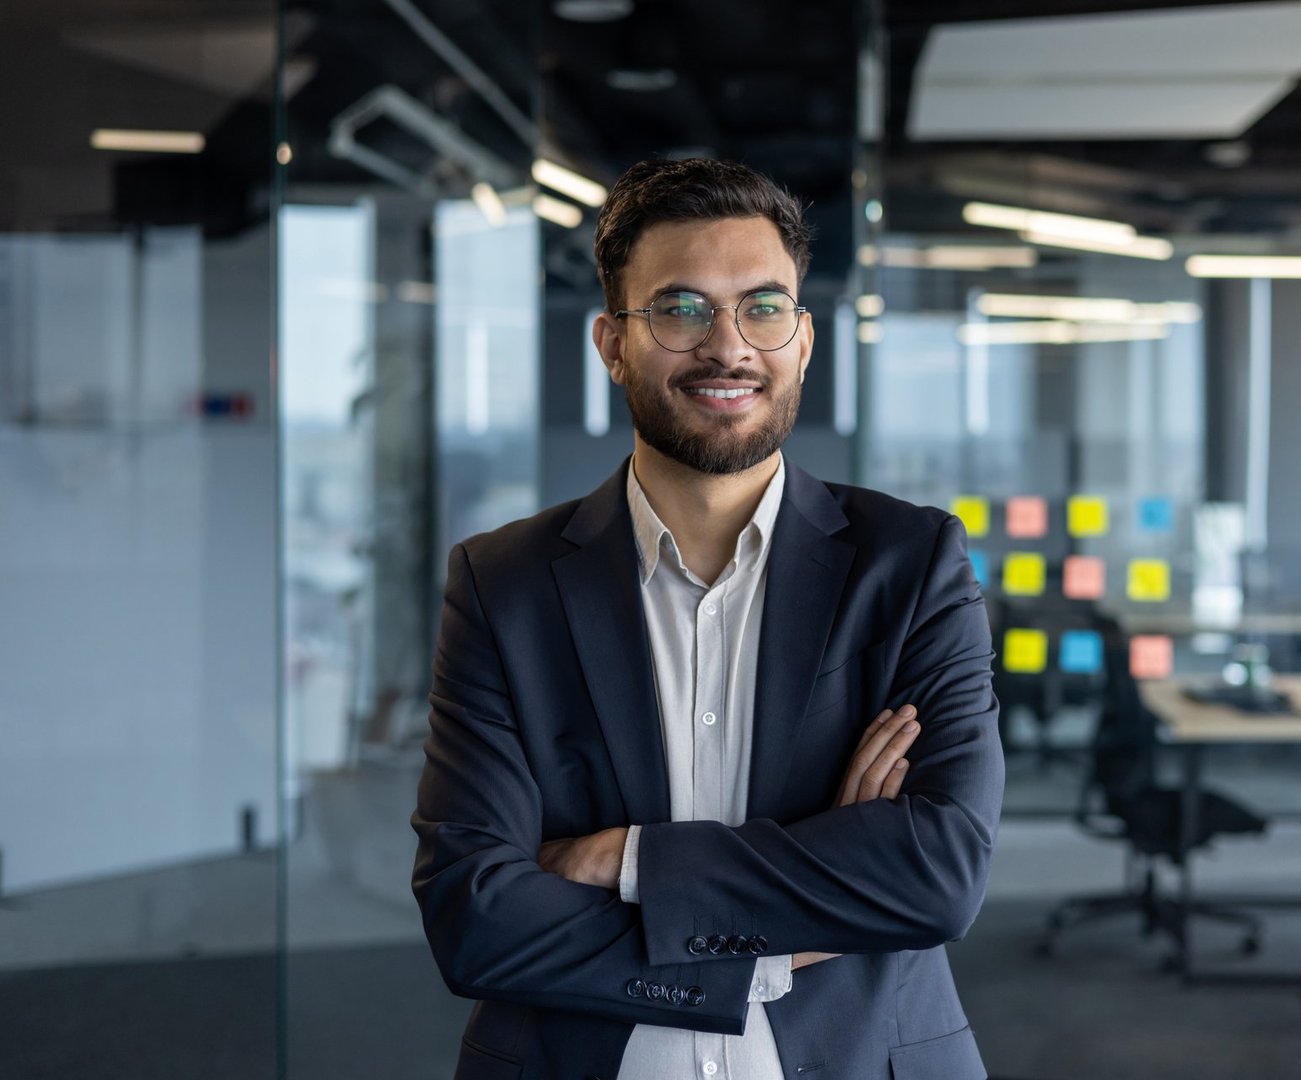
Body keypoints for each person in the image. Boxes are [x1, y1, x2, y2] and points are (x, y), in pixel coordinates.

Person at [412, 157, 1004, 1080]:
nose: (729, 346)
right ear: (613, 344)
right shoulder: (505, 584)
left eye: (763, 308)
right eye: (681, 310)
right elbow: (475, 919)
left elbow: (939, 874)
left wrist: (630, 862)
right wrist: (798, 922)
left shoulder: (911, 562)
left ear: (803, 340)